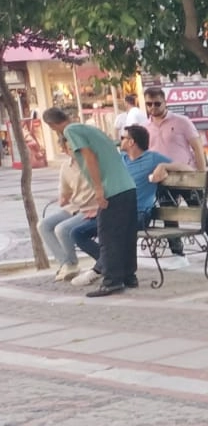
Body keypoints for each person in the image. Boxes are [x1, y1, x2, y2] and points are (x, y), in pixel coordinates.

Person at [41, 108, 139, 298]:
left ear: (52, 125)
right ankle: (129, 276)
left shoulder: (70, 131)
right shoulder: (89, 129)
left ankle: (112, 282)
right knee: (126, 234)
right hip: (127, 186)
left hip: (111, 189)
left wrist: (98, 189)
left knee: (108, 237)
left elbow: (89, 157)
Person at [142, 87, 208, 267]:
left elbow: (197, 148)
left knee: (201, 212)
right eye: (149, 104)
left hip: (186, 175)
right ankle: (178, 253)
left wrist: (202, 174)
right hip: (163, 179)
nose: (152, 107)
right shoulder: (145, 127)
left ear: (165, 102)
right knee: (169, 216)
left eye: (157, 103)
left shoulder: (181, 121)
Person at [38, 138, 99, 281]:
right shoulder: (66, 167)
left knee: (62, 229)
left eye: (76, 147)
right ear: (65, 151)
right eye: (70, 149)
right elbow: (65, 192)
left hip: (90, 207)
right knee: (43, 225)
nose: (74, 151)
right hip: (74, 206)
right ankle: (65, 263)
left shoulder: (92, 162)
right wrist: (63, 198)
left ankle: (72, 264)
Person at [120, 124, 172, 225]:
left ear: (131, 142)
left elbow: (185, 167)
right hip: (119, 212)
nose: (120, 141)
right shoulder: (121, 158)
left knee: (106, 227)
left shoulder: (153, 158)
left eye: (122, 138)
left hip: (140, 213)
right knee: (86, 228)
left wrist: (163, 165)